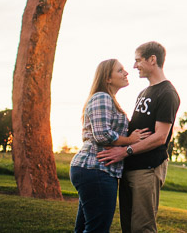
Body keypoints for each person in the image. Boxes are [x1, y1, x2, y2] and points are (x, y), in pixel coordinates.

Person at [97, 41, 180, 233]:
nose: (134, 66)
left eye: (138, 61)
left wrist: (124, 151)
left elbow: (160, 137)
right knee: (128, 226)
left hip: (148, 169)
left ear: (152, 60)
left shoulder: (167, 93)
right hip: (130, 167)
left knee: (142, 228)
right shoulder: (144, 92)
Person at [70, 59, 150, 233]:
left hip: (97, 170)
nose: (126, 72)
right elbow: (102, 134)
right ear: (107, 78)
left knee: (85, 228)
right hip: (96, 169)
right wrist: (131, 140)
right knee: (97, 229)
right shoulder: (102, 97)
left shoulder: (109, 99)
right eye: (120, 70)